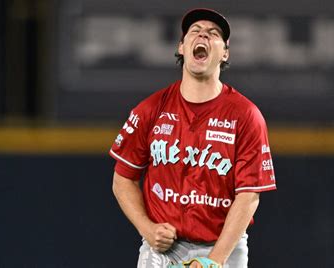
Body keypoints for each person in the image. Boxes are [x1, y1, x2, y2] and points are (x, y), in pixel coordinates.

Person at [110, 8, 277, 268]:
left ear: (225, 53)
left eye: (213, 34)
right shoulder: (151, 109)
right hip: (164, 250)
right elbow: (123, 179)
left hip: (223, 247)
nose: (203, 35)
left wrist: (214, 261)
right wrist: (147, 228)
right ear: (181, 47)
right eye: (195, 31)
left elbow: (248, 196)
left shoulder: (246, 116)